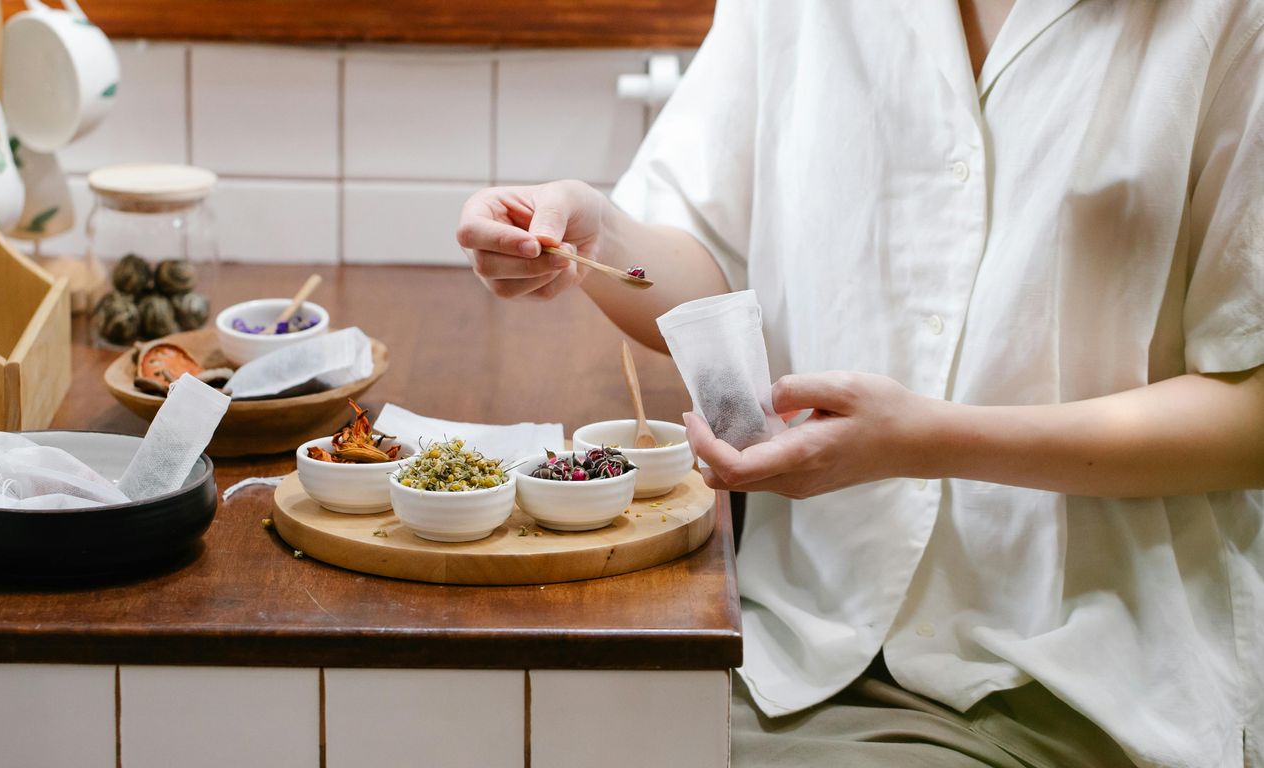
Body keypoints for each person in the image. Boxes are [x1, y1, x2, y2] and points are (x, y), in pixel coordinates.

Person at [456, 1, 1264, 765]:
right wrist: (603, 236)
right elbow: (710, 271)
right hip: (790, 633)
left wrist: (924, 442)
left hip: (1074, 673)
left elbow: (1250, 415)